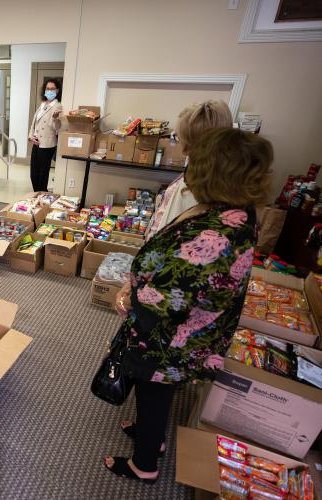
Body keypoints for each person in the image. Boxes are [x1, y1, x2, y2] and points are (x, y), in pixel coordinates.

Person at [103, 127, 273, 483]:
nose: (188, 163)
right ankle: (152, 438)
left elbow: (170, 295)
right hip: (188, 333)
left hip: (170, 337)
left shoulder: (217, 232)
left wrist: (130, 296)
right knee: (158, 391)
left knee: (153, 387)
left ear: (212, 171)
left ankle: (144, 464)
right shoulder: (234, 213)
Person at [115, 100, 233, 317]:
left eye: (183, 139)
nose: (181, 146)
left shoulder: (198, 192)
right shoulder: (202, 176)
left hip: (161, 291)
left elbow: (168, 250)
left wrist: (136, 286)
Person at [28, 78, 63, 192]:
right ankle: (38, 195)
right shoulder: (42, 104)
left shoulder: (58, 106)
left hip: (47, 145)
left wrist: (54, 118)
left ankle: (40, 197)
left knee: (42, 175)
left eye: (52, 89)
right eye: (48, 88)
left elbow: (56, 128)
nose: (50, 91)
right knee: (33, 174)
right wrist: (31, 135)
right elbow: (34, 122)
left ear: (57, 91)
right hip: (36, 143)